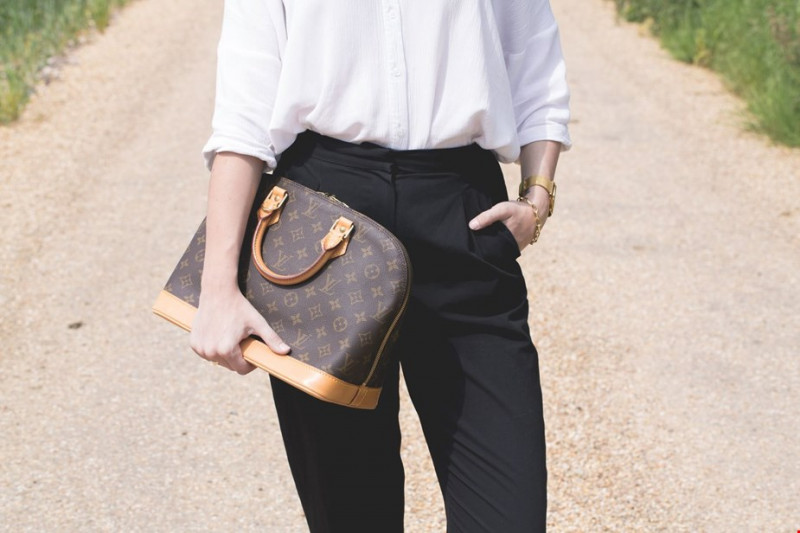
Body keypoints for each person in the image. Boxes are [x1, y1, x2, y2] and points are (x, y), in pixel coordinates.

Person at [190, 1, 571, 531]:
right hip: (324, 226)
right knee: (351, 516)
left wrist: (537, 197)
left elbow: (535, 61)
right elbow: (243, 115)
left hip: (462, 213)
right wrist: (217, 289)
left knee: (509, 514)